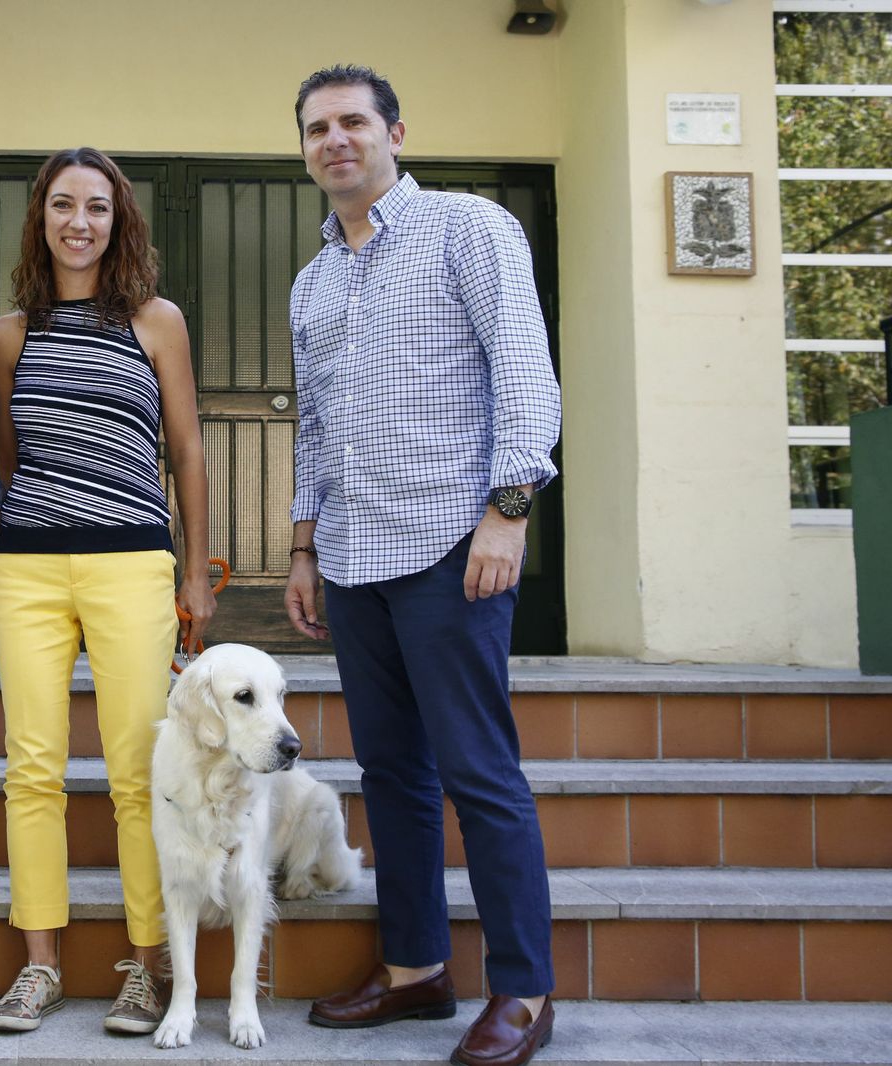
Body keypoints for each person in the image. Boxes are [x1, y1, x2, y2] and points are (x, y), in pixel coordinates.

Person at [283, 66, 562, 1066]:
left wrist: (509, 509)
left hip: (455, 545)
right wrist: (304, 544)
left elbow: (525, 372)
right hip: (354, 555)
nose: (336, 140)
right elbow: (314, 426)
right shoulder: (310, 282)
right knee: (389, 771)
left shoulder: (468, 230)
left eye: (353, 121)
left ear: (394, 130)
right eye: (317, 128)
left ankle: (523, 990)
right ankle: (414, 969)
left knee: (479, 771)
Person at [0, 147, 215, 1036]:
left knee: (134, 773)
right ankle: (39, 968)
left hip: (132, 564)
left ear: (121, 223)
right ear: (40, 218)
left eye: (99, 208)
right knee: (31, 769)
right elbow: (9, 463)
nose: (80, 223)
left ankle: (145, 968)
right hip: (31, 566)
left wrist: (195, 570)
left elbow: (186, 450)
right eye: (64, 206)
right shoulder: (10, 334)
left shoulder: (157, 321)